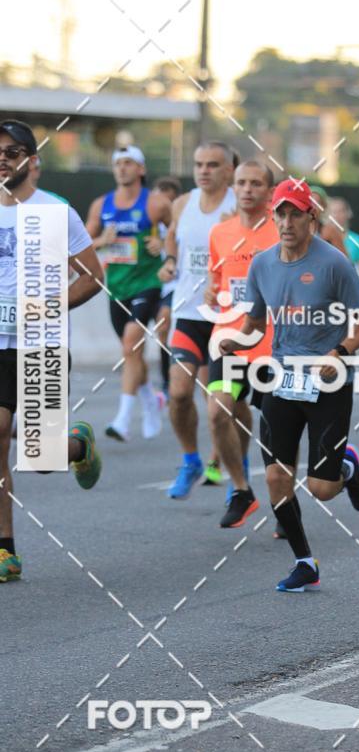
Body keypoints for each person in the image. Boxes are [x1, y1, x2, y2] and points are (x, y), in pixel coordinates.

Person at [220, 178, 359, 592]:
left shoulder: (334, 263)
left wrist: (340, 351)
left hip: (328, 380)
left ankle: (345, 467)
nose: (287, 222)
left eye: (295, 214)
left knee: (323, 490)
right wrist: (238, 340)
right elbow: (255, 321)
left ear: (312, 217)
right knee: (275, 476)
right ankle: (305, 560)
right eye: (281, 214)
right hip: (282, 378)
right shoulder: (263, 264)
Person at [0, 120, 104, 583]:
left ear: (31, 160)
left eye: (12, 151)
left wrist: (45, 306)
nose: (3, 158)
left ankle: (78, 445)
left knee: (42, 458)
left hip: (40, 343)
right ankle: (5, 550)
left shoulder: (56, 212)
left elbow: (91, 276)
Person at [160, 142, 237, 498]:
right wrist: (170, 261)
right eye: (198, 164)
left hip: (229, 319)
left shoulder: (240, 204)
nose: (203, 170)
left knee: (220, 406)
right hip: (188, 312)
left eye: (212, 164)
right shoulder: (182, 203)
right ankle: (191, 459)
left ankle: (234, 469)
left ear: (229, 170)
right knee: (178, 393)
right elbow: (173, 239)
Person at [206, 160, 279, 528]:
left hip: (274, 346)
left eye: (256, 183)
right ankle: (241, 490)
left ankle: (285, 497)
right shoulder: (220, 232)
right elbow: (218, 281)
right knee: (219, 412)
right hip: (230, 342)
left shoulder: (282, 232)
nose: (247, 189)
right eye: (241, 183)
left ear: (269, 191)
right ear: (233, 187)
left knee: (278, 427)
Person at [86, 146, 171, 442]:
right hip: (116, 287)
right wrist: (101, 240)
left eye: (128, 163)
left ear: (141, 169)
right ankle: (150, 400)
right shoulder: (101, 205)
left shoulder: (156, 203)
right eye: (118, 164)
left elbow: (178, 235)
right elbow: (82, 243)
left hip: (147, 284)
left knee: (130, 343)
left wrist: (163, 245)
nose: (122, 168)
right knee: (130, 352)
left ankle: (122, 420)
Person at [147, 176, 182, 398]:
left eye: (168, 201)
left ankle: (169, 382)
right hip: (148, 284)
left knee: (164, 323)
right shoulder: (146, 224)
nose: (163, 206)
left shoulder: (179, 225)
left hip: (173, 285)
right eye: (159, 199)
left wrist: (165, 247)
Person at [328, 197, 359, 284]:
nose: (337, 215)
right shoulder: (321, 239)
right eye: (334, 212)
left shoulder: (358, 240)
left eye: (341, 211)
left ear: (348, 213)